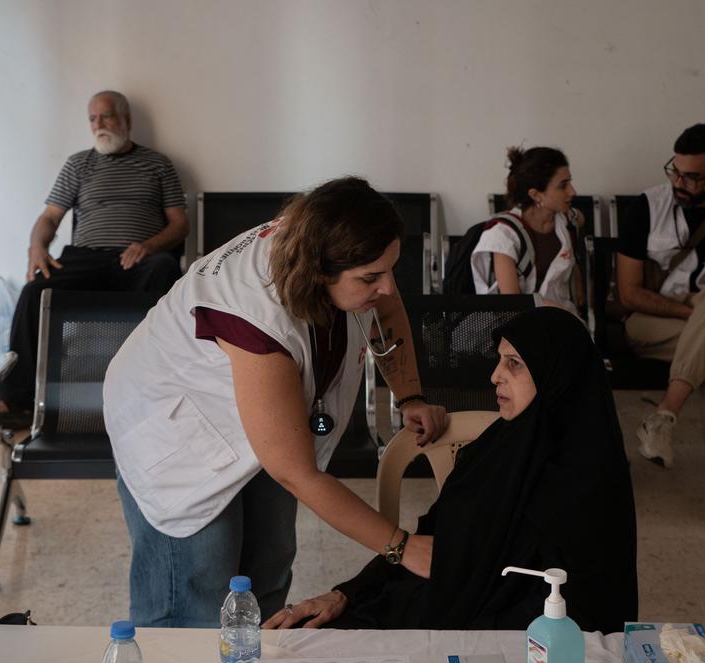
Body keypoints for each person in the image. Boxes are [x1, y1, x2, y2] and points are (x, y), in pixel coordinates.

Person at [103, 177, 449, 627]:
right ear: (321, 272)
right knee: (199, 590)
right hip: (173, 430)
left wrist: (411, 396)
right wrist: (402, 547)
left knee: (268, 562)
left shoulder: (327, 242)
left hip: (251, 408)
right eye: (370, 278)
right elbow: (296, 472)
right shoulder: (253, 318)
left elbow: (387, 305)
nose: (386, 286)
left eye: (389, 270)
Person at [264, 307, 637, 634]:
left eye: (514, 364)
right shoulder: (497, 448)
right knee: (299, 639)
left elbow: (582, 614)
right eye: (499, 360)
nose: (494, 376)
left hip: (501, 648)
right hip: (431, 611)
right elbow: (428, 541)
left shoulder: (588, 486)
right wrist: (346, 593)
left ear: (557, 375)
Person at [0, 90, 189, 432]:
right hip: (85, 259)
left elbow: (179, 224)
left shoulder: (158, 164)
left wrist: (148, 246)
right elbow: (50, 218)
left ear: (126, 119)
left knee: (165, 269)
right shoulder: (78, 163)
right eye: (92, 118)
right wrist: (36, 248)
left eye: (107, 116)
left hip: (139, 261)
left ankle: (155, 393)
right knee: (35, 291)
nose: (98, 124)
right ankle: (17, 401)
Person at [616, 123, 705, 538]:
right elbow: (629, 294)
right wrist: (692, 313)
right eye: (674, 171)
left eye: (691, 176)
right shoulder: (646, 207)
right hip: (651, 325)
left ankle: (664, 418)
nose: (678, 182)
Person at [471, 146, 585, 314]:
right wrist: (549, 307)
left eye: (570, 182)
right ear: (536, 195)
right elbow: (512, 304)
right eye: (563, 186)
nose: (573, 191)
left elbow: (579, 219)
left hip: (561, 320)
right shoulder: (503, 235)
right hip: (517, 328)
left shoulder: (567, 221)